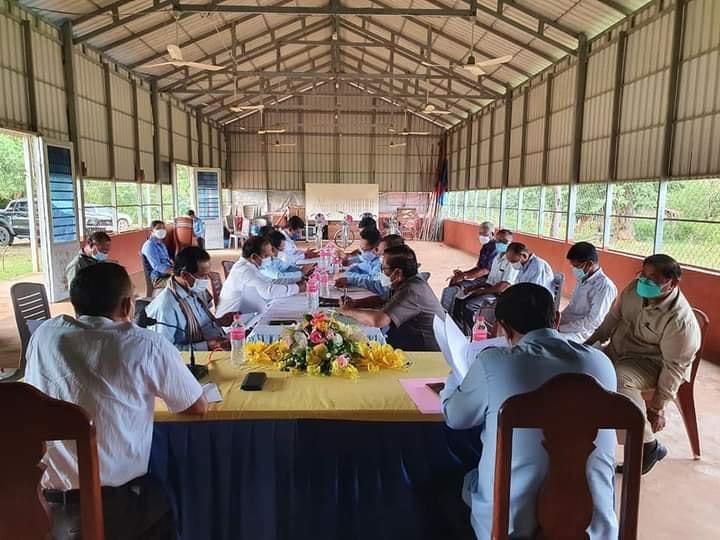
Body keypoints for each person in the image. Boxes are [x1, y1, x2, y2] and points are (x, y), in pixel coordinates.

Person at [24, 263, 207, 540]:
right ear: (127, 305)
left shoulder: (44, 334)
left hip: (49, 509)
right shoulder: (146, 343)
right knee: (167, 497)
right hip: (117, 508)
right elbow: (195, 407)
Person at [441, 283, 617, 540]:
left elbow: (456, 418)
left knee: (461, 480)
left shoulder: (495, 363)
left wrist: (453, 377)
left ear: (503, 327)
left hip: (510, 529)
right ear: (556, 319)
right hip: (595, 528)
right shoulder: (601, 363)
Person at [586, 254, 701, 474]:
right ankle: (589, 435)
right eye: (643, 275)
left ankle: (647, 445)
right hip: (619, 350)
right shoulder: (634, 290)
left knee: (619, 379)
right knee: (585, 367)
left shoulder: (680, 322)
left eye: (653, 279)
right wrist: (588, 344)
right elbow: (612, 319)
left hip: (652, 362)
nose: (644, 282)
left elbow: (674, 368)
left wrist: (658, 407)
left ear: (672, 283)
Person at [339, 245, 444, 351]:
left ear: (397, 273)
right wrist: (356, 303)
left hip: (426, 351)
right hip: (410, 341)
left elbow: (378, 320)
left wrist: (348, 311)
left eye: (383, 268)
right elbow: (381, 299)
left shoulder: (411, 290)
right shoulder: (406, 281)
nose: (381, 272)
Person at [145, 246, 230, 351]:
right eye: (202, 276)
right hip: (194, 358)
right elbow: (163, 349)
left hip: (216, 345)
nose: (206, 280)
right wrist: (206, 346)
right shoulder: (166, 306)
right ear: (184, 275)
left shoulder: (194, 291)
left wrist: (220, 321)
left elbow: (201, 325)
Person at [217, 235, 305, 317]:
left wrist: (299, 279)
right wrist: (297, 288)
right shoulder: (244, 270)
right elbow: (268, 292)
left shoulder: (252, 266)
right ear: (254, 257)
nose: (270, 259)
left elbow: (272, 282)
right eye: (266, 256)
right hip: (233, 322)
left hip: (248, 315)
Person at [451, 231, 518, 332]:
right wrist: (473, 288)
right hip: (489, 289)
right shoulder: (497, 257)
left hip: (499, 295)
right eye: (498, 241)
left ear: (511, 242)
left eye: (504, 241)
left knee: (469, 306)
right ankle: (462, 330)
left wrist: (482, 291)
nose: (500, 244)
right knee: (459, 300)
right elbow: (489, 280)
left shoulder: (511, 261)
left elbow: (503, 286)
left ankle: (477, 332)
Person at [558, 242, 618, 343]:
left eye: (576, 266)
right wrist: (558, 320)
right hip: (568, 324)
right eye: (572, 266)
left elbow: (593, 321)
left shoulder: (605, 287)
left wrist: (561, 328)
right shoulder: (583, 278)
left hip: (582, 332)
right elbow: (572, 308)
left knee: (552, 341)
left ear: (589, 264)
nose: (574, 270)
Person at [441, 224, 506, 313]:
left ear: (492, 234)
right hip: (483, 280)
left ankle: (445, 314)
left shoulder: (496, 250)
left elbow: (485, 271)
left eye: (485, 234)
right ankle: (451, 313)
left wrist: (465, 276)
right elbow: (479, 267)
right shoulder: (486, 247)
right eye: (480, 233)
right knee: (454, 282)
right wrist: (463, 274)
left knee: (450, 291)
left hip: (485, 280)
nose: (482, 236)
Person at [335, 233, 405, 297]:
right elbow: (378, 287)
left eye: (382, 254)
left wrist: (349, 278)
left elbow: (377, 285)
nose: (377, 254)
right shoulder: (381, 264)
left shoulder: (394, 274)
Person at [141, 220, 174, 287]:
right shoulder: (150, 245)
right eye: (158, 228)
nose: (162, 230)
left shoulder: (161, 243)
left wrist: (174, 265)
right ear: (151, 231)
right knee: (181, 282)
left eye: (163, 228)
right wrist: (173, 272)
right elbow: (157, 266)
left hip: (166, 274)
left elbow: (167, 259)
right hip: (158, 278)